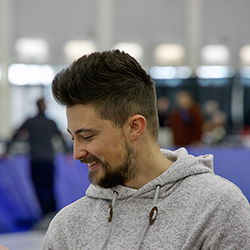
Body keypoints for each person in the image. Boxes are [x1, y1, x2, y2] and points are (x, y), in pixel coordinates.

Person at [42, 50, 250, 249]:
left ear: (134, 127)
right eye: (73, 138)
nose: (77, 153)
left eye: (87, 137)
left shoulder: (219, 209)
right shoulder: (68, 225)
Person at [6, 98, 67, 221]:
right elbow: (61, 137)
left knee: (39, 188)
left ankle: (46, 215)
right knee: (49, 187)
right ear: (44, 106)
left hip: (36, 160)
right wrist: (68, 152)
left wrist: (8, 151)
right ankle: (52, 214)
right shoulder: (50, 122)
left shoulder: (30, 121)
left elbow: (15, 135)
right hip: (48, 160)